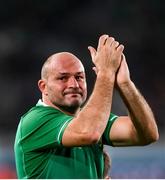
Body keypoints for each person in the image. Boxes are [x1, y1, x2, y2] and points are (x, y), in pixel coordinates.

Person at [14, 34, 159, 179]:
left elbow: (147, 134)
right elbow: (88, 133)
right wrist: (106, 73)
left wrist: (125, 84)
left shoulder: (93, 119)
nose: (74, 85)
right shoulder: (35, 120)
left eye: (79, 77)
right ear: (43, 86)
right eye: (62, 78)